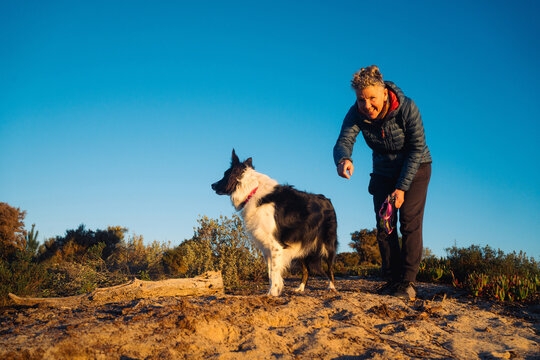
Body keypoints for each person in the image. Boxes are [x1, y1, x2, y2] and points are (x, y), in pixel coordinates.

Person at [333, 65, 432, 300]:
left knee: (408, 222)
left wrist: (402, 188)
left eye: (371, 98)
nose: (367, 106)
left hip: (416, 168)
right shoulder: (356, 113)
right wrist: (343, 159)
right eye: (361, 99)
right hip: (384, 171)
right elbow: (343, 141)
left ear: (384, 93)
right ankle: (392, 279)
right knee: (384, 224)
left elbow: (416, 149)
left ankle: (408, 283)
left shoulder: (407, 107)